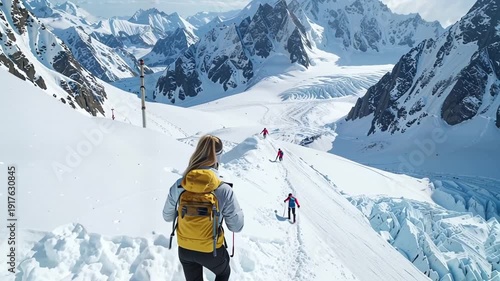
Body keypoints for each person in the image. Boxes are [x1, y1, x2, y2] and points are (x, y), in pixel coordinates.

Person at [162, 135, 244, 281]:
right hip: (211, 251)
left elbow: (167, 217)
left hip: (185, 249)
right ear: (218, 156)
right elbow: (236, 227)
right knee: (223, 273)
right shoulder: (223, 189)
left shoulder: (180, 184)